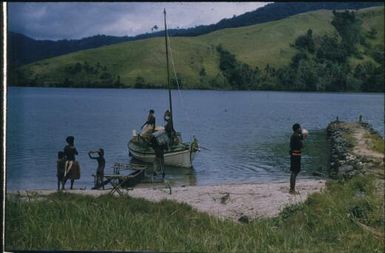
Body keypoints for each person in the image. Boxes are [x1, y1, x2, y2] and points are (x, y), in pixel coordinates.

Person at [289, 123, 306, 194]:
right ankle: (292, 190)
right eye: (300, 128)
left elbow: (301, 137)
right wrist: (303, 138)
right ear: (297, 129)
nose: (301, 129)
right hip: (296, 155)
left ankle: (292, 189)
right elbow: (302, 145)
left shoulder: (294, 136)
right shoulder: (296, 136)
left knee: (294, 171)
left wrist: (302, 136)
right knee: (295, 171)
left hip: (294, 155)